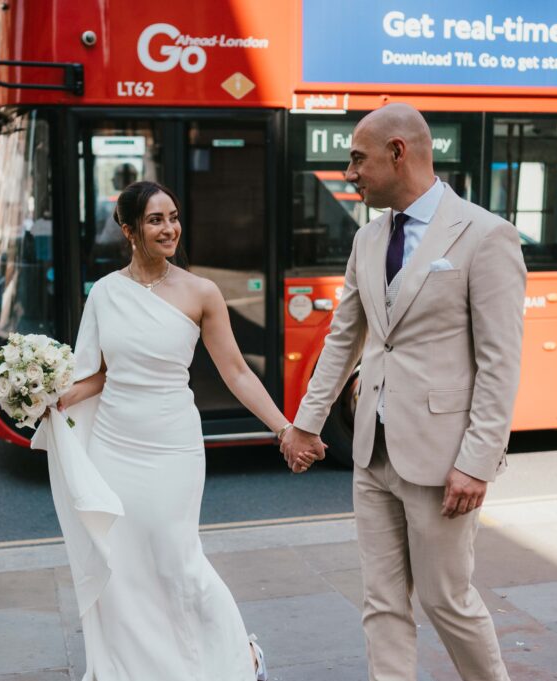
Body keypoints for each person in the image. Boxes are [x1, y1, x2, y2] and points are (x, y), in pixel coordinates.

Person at [280, 103, 526, 681]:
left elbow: (500, 362)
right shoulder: (367, 238)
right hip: (372, 451)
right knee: (382, 603)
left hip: (443, 459)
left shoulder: (486, 235)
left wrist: (478, 461)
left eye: (357, 159)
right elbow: (343, 339)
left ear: (399, 152)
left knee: (446, 600)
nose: (350, 172)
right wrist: (307, 424)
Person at [35, 180, 318, 681]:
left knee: (176, 559)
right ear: (129, 230)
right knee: (123, 563)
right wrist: (51, 399)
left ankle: (239, 657)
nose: (169, 229)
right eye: (154, 220)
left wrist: (283, 429)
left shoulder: (201, 292)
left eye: (173, 217)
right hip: (115, 446)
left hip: (173, 445)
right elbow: (98, 374)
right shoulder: (105, 293)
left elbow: (235, 372)